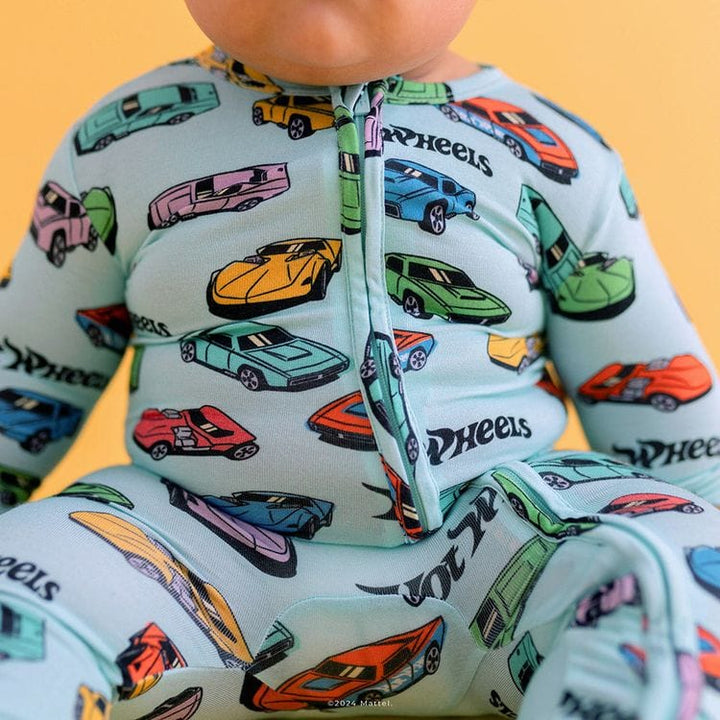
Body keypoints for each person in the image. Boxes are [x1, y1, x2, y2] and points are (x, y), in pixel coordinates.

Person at [0, 1, 718, 718]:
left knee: (676, 569)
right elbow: (25, 371)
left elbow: (666, 408)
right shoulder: (119, 146)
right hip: (190, 554)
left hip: (498, 549)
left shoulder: (557, 157)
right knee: (23, 580)